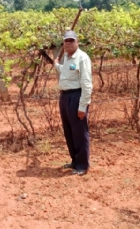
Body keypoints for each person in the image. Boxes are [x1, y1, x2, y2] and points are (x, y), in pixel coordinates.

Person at [54, 30, 93, 176]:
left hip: (76, 97)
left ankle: (82, 165)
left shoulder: (82, 58)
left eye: (71, 40)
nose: (69, 43)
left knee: (79, 132)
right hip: (64, 97)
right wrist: (56, 65)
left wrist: (82, 106)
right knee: (69, 131)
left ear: (77, 42)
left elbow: (87, 84)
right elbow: (66, 71)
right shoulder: (66, 56)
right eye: (66, 41)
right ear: (63, 43)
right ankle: (74, 161)